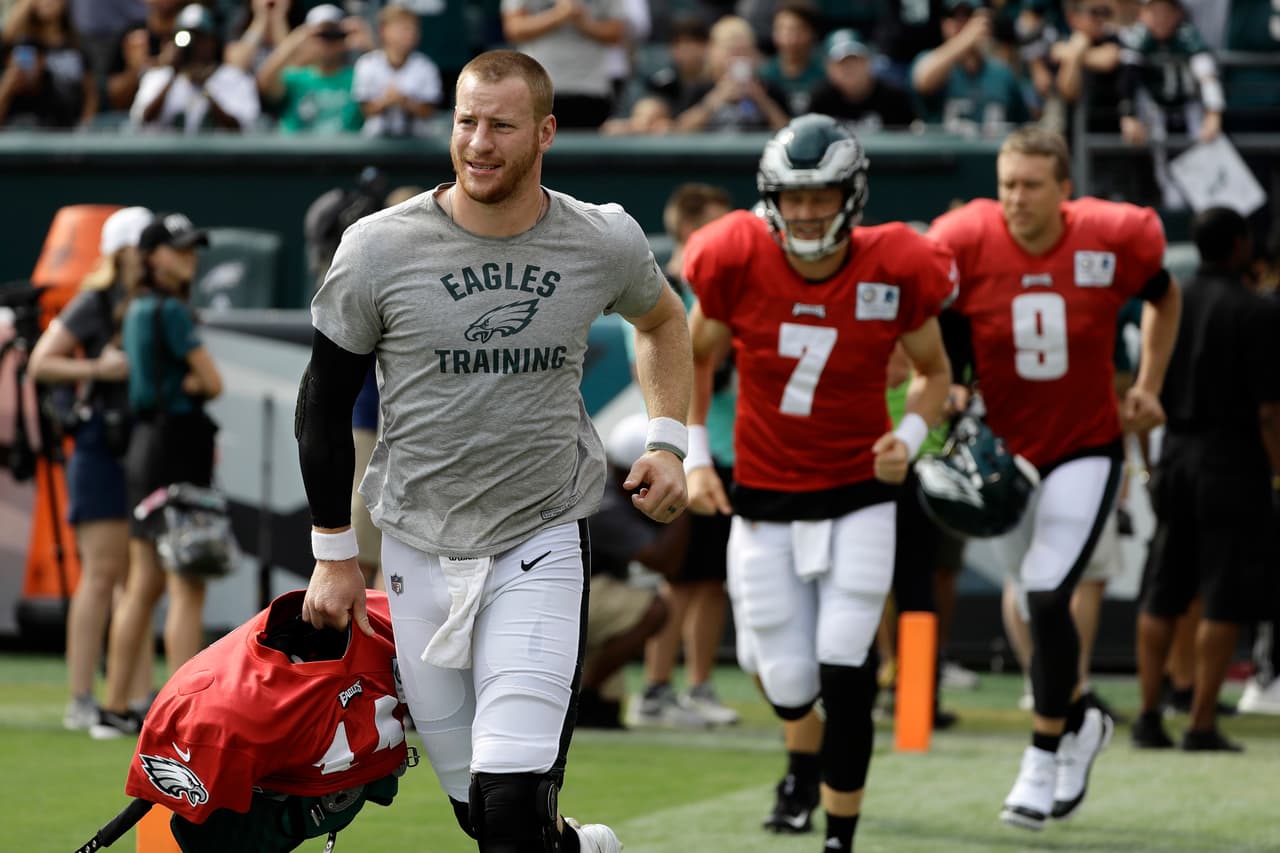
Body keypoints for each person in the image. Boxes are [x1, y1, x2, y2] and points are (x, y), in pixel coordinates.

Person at [296, 50, 692, 853]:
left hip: (540, 534)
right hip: (415, 541)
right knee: (481, 814)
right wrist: (335, 553)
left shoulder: (600, 238)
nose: (478, 142)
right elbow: (323, 402)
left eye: (501, 125)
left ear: (545, 132)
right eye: (466, 121)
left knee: (509, 805)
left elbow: (663, 320)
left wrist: (670, 440)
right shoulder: (378, 247)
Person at [684, 114, 955, 853]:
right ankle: (802, 760)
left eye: (822, 196)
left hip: (862, 490)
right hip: (765, 498)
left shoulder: (896, 261)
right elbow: (690, 353)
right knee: (788, 679)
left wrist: (908, 436)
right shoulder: (734, 253)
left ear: (853, 195)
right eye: (794, 196)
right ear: (772, 196)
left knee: (848, 670)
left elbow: (936, 371)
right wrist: (693, 454)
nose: (807, 212)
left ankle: (842, 832)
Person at [927, 125, 1181, 830]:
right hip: (1006, 454)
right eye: (1007, 183)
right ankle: (1080, 716)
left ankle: (1042, 752)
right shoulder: (965, 236)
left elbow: (1165, 294)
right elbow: (938, 322)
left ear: (1064, 190)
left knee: (1045, 592)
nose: (1016, 198)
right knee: (1027, 601)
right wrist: (952, 386)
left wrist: (1151, 383)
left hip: (1085, 444)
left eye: (1032, 185)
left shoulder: (1109, 234)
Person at [1132, 206, 1280, 752]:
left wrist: (1150, 460)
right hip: (1233, 463)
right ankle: (1199, 723)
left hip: (1174, 457)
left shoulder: (1168, 298)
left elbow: (1145, 390)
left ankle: (1148, 716)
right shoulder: (1258, 312)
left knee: (1162, 590)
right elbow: (1269, 411)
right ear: (1240, 246)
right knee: (1221, 597)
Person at [91, 212, 224, 739]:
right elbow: (211, 382)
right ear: (151, 257)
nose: (188, 258)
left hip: (145, 450)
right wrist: (194, 384)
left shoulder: (135, 307)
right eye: (178, 250)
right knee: (186, 584)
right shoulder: (169, 310)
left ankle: (116, 705)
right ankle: (182, 714)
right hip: (177, 450)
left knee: (143, 584)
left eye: (193, 250)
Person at [28, 206, 154, 732]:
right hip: (101, 445)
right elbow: (42, 361)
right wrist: (97, 368)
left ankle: (136, 695)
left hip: (142, 443)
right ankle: (82, 696)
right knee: (102, 574)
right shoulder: (95, 301)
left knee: (139, 577)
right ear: (127, 250)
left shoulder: (154, 301)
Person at [629, 182, 737, 731]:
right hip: (685, 455)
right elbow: (653, 368)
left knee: (712, 580)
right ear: (692, 228)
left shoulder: (733, 285)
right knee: (679, 578)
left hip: (733, 450)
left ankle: (698, 685)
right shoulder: (663, 288)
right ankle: (654, 688)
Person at [580, 413, 689, 729]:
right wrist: (682, 506)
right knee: (654, 610)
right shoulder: (605, 502)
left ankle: (586, 692)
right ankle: (583, 692)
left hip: (585, 588)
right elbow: (663, 561)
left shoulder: (606, 482)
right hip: (572, 590)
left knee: (606, 714)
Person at [128, 3, 260, 133]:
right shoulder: (157, 77)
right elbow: (143, 119)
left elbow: (240, 128)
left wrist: (205, 89)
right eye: (187, 37)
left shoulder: (235, 78)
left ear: (213, 41)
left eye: (200, 37)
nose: (194, 45)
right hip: (166, 155)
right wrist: (174, 74)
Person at [910, 0, 1030, 136]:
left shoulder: (1003, 73)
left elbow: (1022, 127)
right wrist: (967, 37)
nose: (961, 24)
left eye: (968, 16)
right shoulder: (930, 60)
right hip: (943, 155)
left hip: (991, 154)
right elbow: (923, 80)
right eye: (953, 16)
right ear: (943, 23)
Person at [500, 0, 625, 129]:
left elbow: (616, 32)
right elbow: (514, 28)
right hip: (538, 89)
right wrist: (558, 15)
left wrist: (583, 21)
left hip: (590, 88)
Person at [256, 3, 371, 134]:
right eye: (321, 35)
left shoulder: (359, 78)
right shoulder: (294, 78)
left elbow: (389, 84)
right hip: (297, 153)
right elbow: (264, 84)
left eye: (333, 34)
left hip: (343, 153)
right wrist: (297, 38)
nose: (326, 43)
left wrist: (370, 46)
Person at [673, 14, 791, 132]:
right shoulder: (699, 89)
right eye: (731, 52)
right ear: (714, 53)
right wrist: (715, 99)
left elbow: (788, 132)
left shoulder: (769, 88)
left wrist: (762, 101)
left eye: (744, 51)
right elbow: (679, 130)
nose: (737, 59)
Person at [0, 0, 97, 127]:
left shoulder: (77, 46)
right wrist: (12, 82)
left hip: (66, 128)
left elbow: (91, 93)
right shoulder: (21, 45)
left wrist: (84, 129)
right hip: (22, 127)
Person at [352, 4, 441, 138]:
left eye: (413, 29)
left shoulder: (426, 66)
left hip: (418, 143)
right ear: (384, 31)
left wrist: (405, 102)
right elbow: (364, 111)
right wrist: (386, 101)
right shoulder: (366, 64)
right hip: (375, 140)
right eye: (403, 28)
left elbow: (429, 111)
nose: (410, 34)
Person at [808, 28, 917, 131]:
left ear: (869, 62)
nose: (849, 68)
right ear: (829, 68)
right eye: (842, 63)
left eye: (856, 60)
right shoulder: (820, 100)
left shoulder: (894, 99)